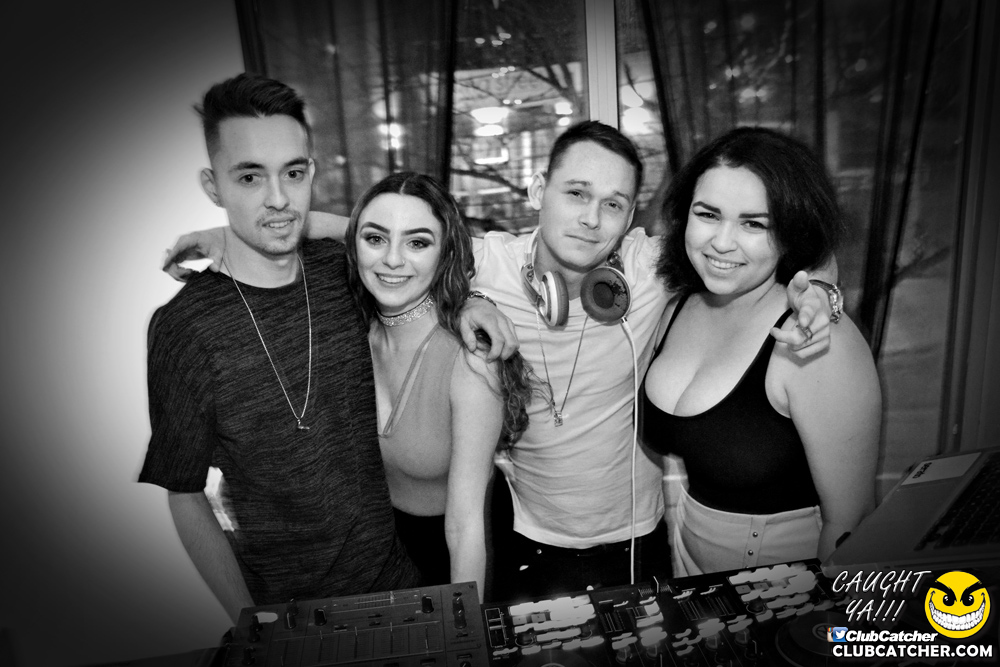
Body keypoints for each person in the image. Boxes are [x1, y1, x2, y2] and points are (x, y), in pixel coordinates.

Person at [163, 121, 837, 600]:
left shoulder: (651, 266)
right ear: (539, 189)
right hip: (526, 538)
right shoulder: (487, 262)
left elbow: (777, 243)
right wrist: (233, 234)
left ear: (631, 213)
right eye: (575, 193)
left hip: (637, 539)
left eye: (612, 204)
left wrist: (821, 292)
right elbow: (366, 229)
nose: (591, 218)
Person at [140, 74, 510, 622]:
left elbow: (397, 246)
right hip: (286, 613)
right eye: (249, 177)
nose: (277, 198)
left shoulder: (344, 275)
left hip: (399, 583)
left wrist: (474, 300)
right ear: (214, 187)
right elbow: (184, 494)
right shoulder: (183, 329)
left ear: (311, 172)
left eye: (293, 173)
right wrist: (250, 625)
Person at [642, 127, 880, 576]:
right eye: (707, 214)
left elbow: (851, 522)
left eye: (754, 223)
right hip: (691, 574)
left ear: (789, 232)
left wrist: (824, 615)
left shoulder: (813, 336)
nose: (722, 242)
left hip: (790, 588)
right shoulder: (676, 306)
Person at [344, 171, 535, 598]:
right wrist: (222, 237)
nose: (392, 260)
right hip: (385, 550)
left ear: (445, 253)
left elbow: (465, 526)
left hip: (463, 551)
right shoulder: (352, 334)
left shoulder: (470, 360)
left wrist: (464, 625)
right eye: (375, 239)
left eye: (417, 243)